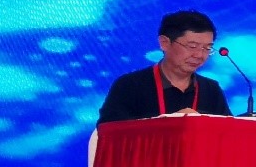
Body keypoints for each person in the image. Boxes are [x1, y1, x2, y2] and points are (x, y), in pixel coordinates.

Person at [97, 10, 232, 124]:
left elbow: (227, 133)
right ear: (164, 43)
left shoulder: (211, 89)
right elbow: (108, 135)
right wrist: (168, 124)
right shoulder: (130, 85)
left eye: (207, 48)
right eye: (192, 46)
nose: (199, 55)